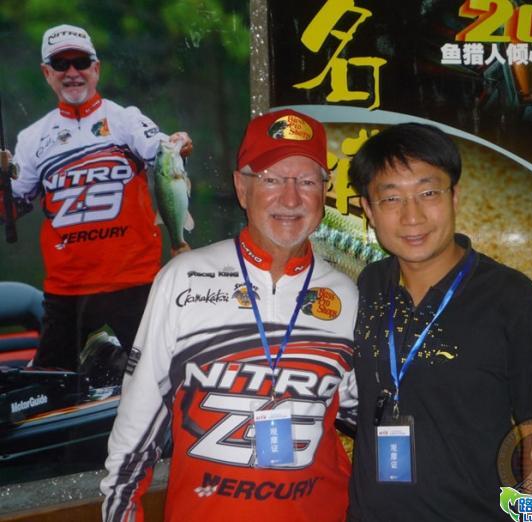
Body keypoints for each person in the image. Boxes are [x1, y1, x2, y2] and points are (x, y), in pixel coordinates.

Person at [101, 108, 358, 522]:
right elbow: (136, 426)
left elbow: (368, 413)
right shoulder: (183, 278)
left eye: (307, 181)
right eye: (271, 179)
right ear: (242, 187)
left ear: (324, 191)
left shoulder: (347, 293)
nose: (291, 198)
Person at [346, 123, 532, 521]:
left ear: (454, 196)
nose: (412, 216)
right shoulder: (367, 285)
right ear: (369, 211)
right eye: (391, 198)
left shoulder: (510, 296)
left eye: (428, 193)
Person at [0, 24, 193, 371]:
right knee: (48, 386)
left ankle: (107, 358)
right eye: (61, 64)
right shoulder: (32, 138)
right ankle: (96, 357)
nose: (72, 72)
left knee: (163, 376)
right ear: (47, 73)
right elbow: (12, 207)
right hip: (67, 291)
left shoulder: (125, 120)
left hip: (134, 282)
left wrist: (179, 143)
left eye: (81, 62)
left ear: (96, 68)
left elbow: (162, 154)